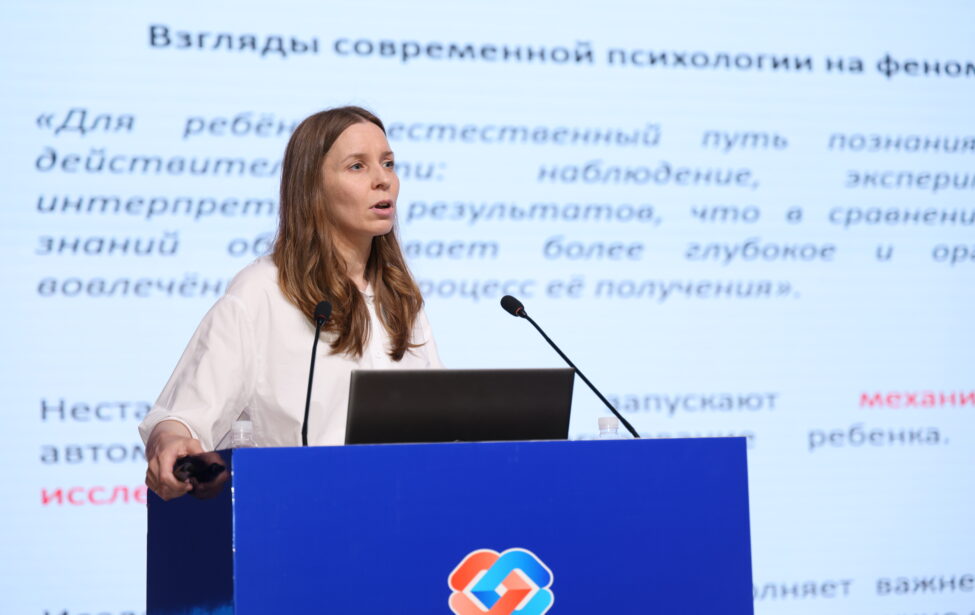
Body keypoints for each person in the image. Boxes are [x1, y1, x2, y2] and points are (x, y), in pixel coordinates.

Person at [140, 106, 444, 500]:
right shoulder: (262, 292)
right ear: (312, 187)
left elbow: (439, 426)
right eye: (357, 166)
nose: (383, 179)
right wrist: (169, 438)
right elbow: (181, 417)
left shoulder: (400, 297)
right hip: (296, 510)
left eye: (388, 163)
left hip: (402, 505)